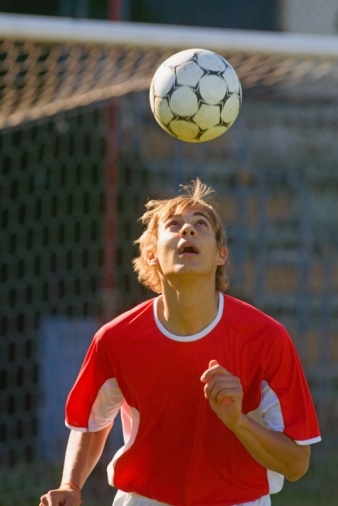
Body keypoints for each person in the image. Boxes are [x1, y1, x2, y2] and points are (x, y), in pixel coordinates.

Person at [39, 179, 321, 506]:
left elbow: (297, 463)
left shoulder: (267, 339)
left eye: (200, 224)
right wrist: (71, 485)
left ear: (221, 254)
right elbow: (91, 422)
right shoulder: (115, 339)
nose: (187, 231)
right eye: (173, 226)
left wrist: (238, 423)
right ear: (151, 255)